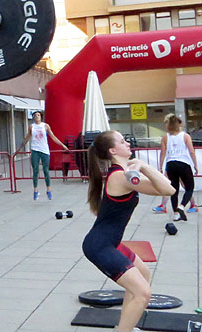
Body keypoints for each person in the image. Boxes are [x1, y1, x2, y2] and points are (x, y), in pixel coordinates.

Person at [83, 130, 175, 332]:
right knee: (143, 293)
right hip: (99, 246)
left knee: (143, 274)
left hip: (110, 243)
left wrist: (141, 166)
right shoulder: (121, 177)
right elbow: (168, 190)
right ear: (113, 150)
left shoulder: (124, 173)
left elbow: (166, 188)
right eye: (122, 141)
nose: (127, 143)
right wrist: (144, 166)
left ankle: (125, 327)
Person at [16, 110, 69, 200]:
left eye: (38, 115)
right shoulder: (31, 127)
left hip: (44, 150)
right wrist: (19, 148)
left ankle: (48, 190)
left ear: (41, 117)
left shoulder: (45, 126)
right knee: (35, 171)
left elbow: (53, 137)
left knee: (46, 171)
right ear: (33, 117)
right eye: (35, 115)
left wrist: (63, 145)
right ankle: (35, 191)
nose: (37, 116)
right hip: (35, 150)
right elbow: (27, 138)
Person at [157, 114, 198, 221]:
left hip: (171, 164)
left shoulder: (165, 137)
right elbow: (191, 151)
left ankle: (175, 213)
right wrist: (195, 164)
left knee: (174, 190)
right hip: (183, 163)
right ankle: (182, 206)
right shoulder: (185, 136)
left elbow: (162, 153)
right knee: (189, 188)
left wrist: (160, 166)